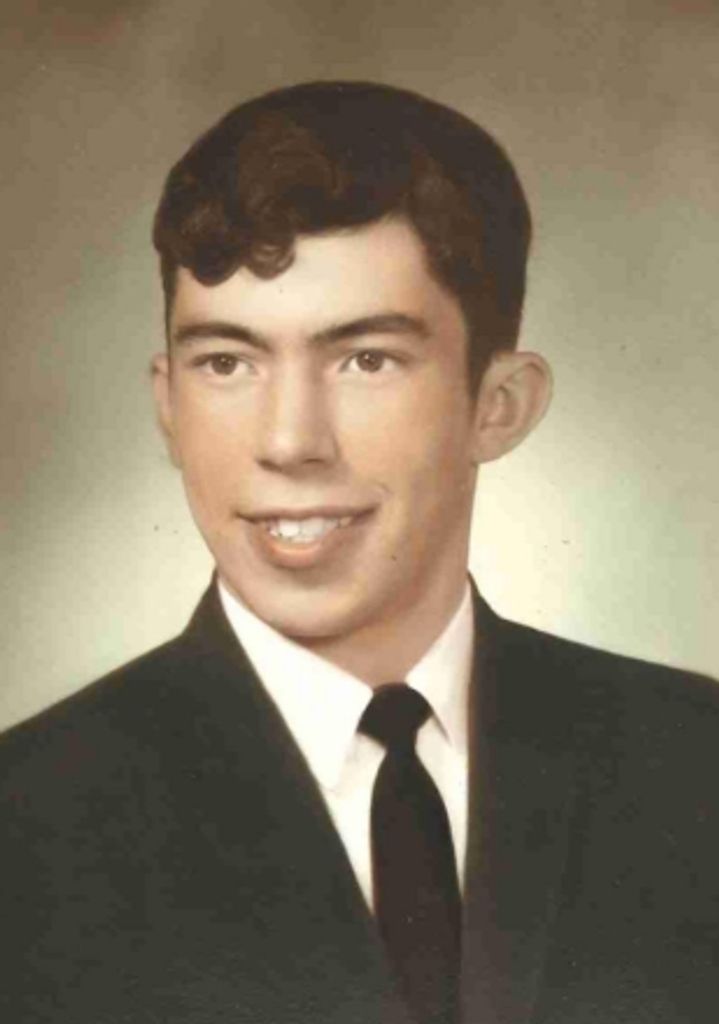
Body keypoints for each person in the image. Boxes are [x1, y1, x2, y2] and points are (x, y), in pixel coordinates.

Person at [1, 81, 717, 1024]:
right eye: (227, 362)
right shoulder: (25, 827)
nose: (289, 441)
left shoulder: (694, 768)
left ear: (498, 405)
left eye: (365, 359)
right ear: (168, 406)